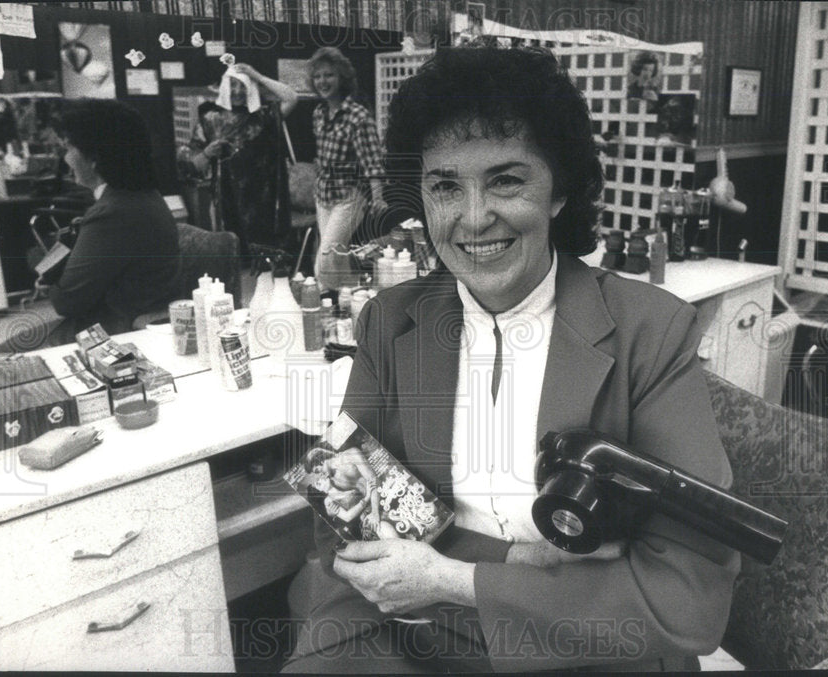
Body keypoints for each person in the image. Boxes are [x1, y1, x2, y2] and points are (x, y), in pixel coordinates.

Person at [283, 47, 739, 673]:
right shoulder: (390, 322)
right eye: (446, 186)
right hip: (421, 635)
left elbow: (686, 602)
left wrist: (453, 577)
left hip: (586, 652)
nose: (473, 219)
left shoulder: (651, 333)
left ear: (558, 192)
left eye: (506, 180)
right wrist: (525, 561)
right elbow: (344, 517)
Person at [44, 100, 180, 339]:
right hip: (124, 320)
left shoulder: (112, 212)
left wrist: (50, 279)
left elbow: (66, 302)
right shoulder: (143, 196)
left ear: (94, 157)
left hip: (112, 332)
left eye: (68, 148)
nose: (65, 159)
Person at [192, 62, 297, 254]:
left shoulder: (263, 116)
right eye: (232, 85)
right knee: (231, 255)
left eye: (243, 85)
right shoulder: (210, 118)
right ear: (224, 87)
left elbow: (291, 97)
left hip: (261, 204)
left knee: (261, 256)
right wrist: (207, 152)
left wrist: (257, 76)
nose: (238, 91)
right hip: (225, 201)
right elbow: (194, 165)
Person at [307, 47, 387, 288]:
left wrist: (378, 197)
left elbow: (373, 162)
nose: (323, 81)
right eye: (317, 76)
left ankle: (327, 298)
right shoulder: (319, 113)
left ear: (341, 77)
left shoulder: (358, 116)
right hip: (323, 195)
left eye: (329, 75)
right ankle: (349, 301)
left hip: (349, 197)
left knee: (325, 260)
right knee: (337, 260)